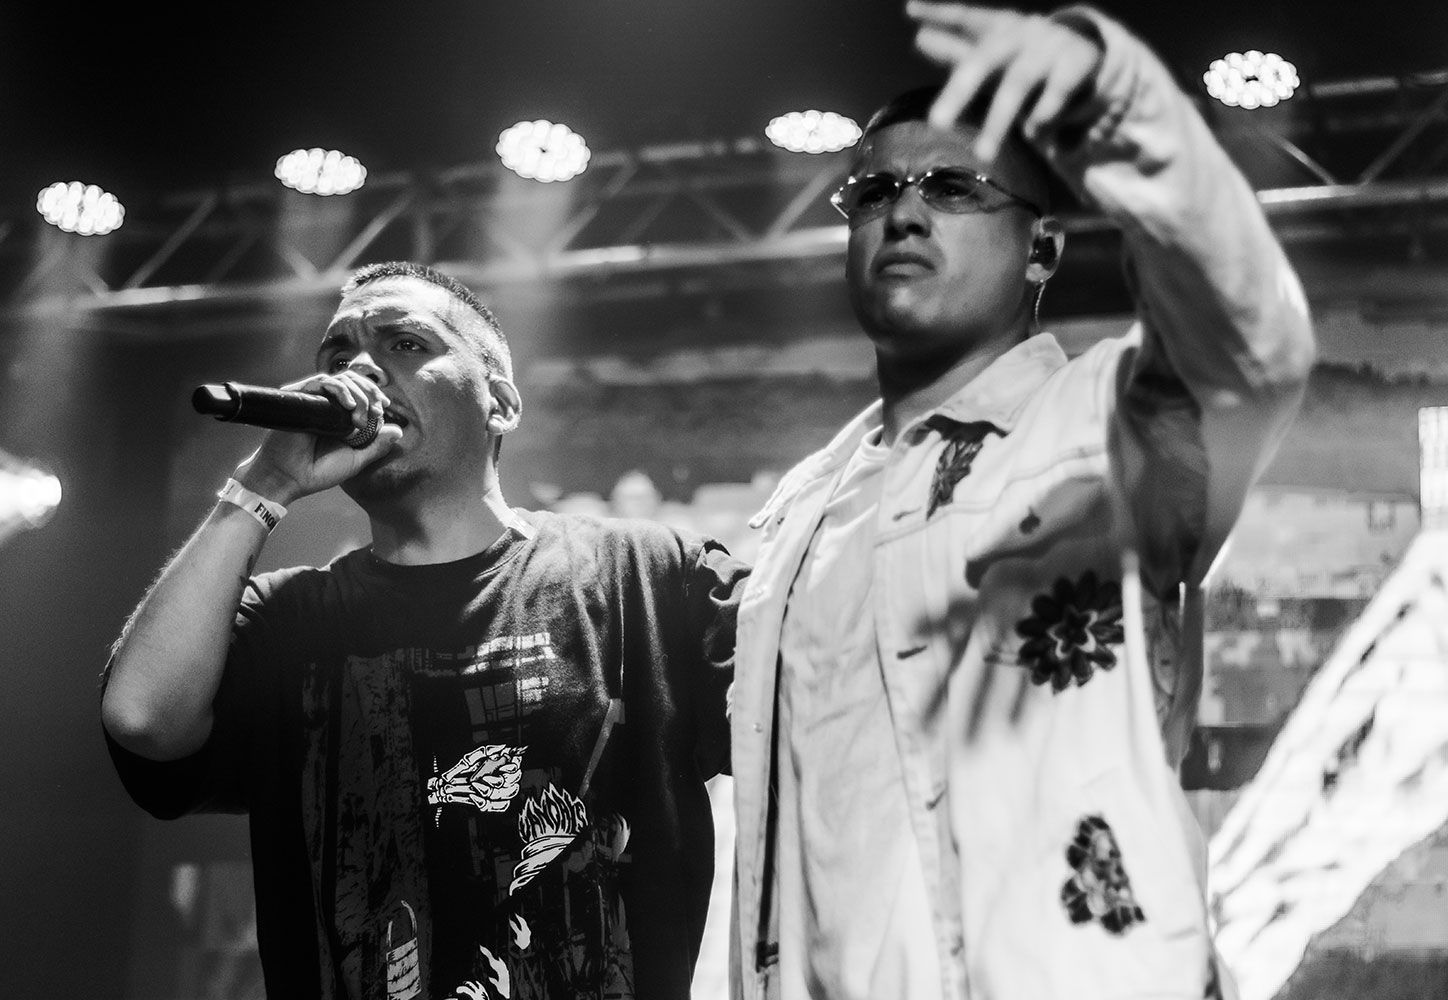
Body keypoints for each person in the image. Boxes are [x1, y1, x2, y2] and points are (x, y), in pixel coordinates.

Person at [728, 4, 1315, 1000]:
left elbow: (1252, 346)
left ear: (1041, 249)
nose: (903, 214)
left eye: (954, 188)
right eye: (873, 191)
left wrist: (1124, 109)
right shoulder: (800, 517)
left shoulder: (1103, 428)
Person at [101, 261, 748, 1000]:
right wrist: (262, 485)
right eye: (339, 354)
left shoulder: (646, 573)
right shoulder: (288, 620)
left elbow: (821, 713)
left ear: (500, 403)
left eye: (406, 344)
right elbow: (143, 718)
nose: (360, 370)